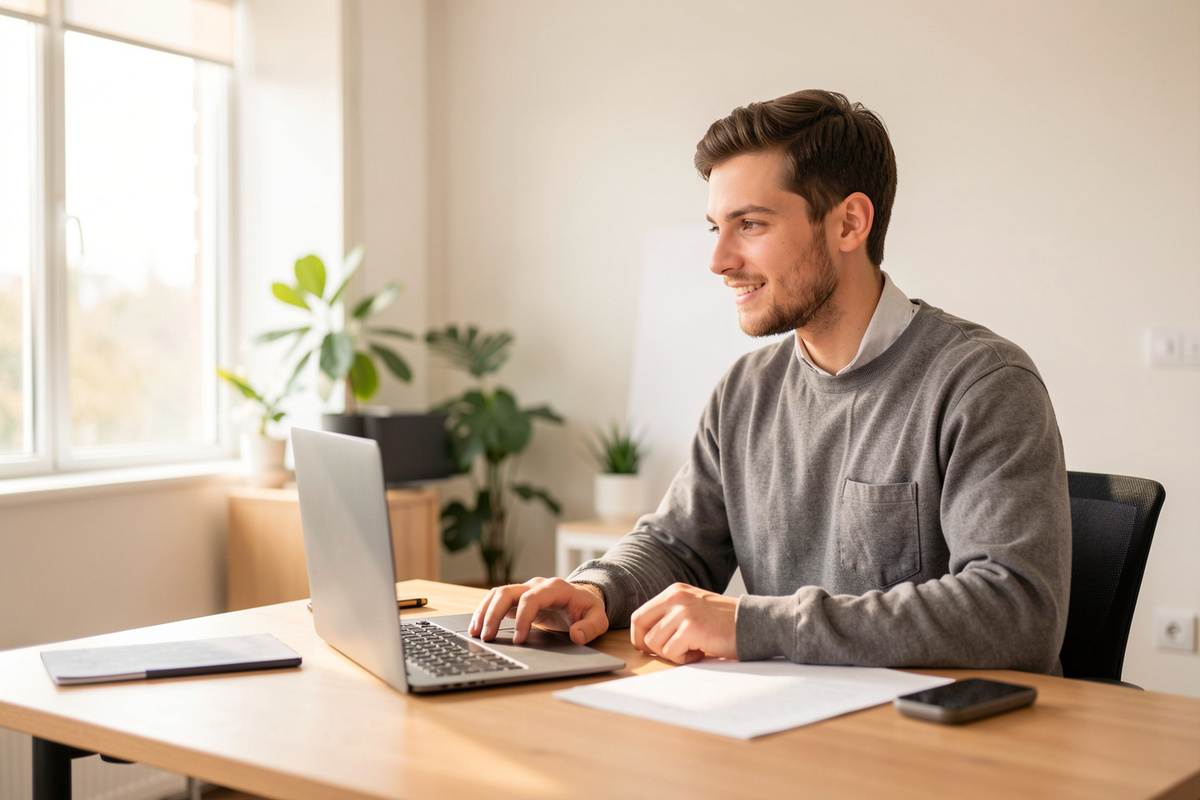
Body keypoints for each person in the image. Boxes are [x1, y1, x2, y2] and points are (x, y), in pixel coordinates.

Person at [470, 89, 1071, 674]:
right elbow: (678, 545)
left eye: (750, 224)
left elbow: (1015, 612)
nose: (719, 260)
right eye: (715, 228)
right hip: (790, 728)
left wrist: (753, 626)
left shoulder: (983, 384)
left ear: (849, 223)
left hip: (943, 748)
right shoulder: (745, 391)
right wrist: (598, 590)